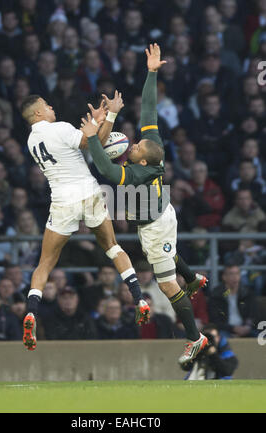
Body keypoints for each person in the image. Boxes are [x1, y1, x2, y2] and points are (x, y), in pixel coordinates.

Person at [83, 43, 208, 365]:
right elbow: (149, 111)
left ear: (140, 159)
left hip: (155, 227)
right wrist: (152, 73)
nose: (133, 143)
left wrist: (94, 138)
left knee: (166, 284)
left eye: (135, 146)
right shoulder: (155, 150)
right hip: (161, 216)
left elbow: (106, 170)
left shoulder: (137, 174)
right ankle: (193, 278)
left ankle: (195, 337)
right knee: (168, 254)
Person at [20, 90, 150, 350]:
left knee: (45, 263)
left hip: (61, 201)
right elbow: (94, 144)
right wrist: (109, 116)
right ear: (37, 112)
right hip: (88, 193)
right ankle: (139, 299)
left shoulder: (32, 142)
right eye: (46, 104)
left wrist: (97, 124)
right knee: (113, 247)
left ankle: (31, 312)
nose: (51, 106)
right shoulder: (59, 128)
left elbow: (91, 139)